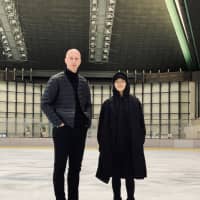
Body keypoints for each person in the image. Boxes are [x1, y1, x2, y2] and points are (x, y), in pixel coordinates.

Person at [41, 48, 92, 200]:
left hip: (79, 131)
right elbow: (45, 103)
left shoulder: (83, 82)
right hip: (63, 131)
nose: (74, 61)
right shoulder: (56, 80)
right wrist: (58, 123)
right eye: (71, 58)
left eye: (77, 58)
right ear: (65, 60)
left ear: (80, 61)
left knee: (75, 169)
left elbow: (88, 104)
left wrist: (87, 120)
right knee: (60, 168)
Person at [96, 71, 147, 200]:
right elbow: (101, 127)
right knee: (116, 175)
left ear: (126, 83)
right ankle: (116, 197)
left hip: (130, 147)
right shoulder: (107, 104)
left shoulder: (135, 102)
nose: (120, 84)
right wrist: (103, 145)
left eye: (122, 81)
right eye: (117, 82)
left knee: (130, 175)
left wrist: (139, 141)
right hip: (114, 147)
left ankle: (131, 197)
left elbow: (141, 124)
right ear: (114, 84)